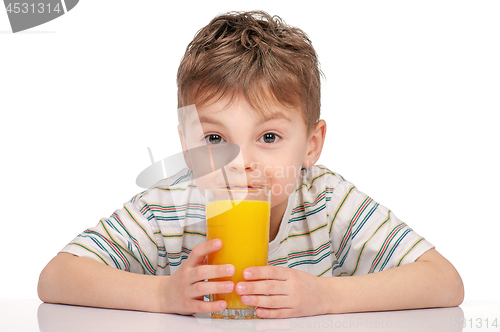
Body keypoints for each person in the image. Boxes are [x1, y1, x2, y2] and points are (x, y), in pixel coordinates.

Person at [37, 11, 464, 319]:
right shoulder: (166, 207)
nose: (240, 164)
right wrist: (163, 294)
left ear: (311, 147)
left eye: (270, 138)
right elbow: (57, 277)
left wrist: (325, 297)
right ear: (186, 147)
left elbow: (444, 283)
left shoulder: (328, 201)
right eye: (216, 139)